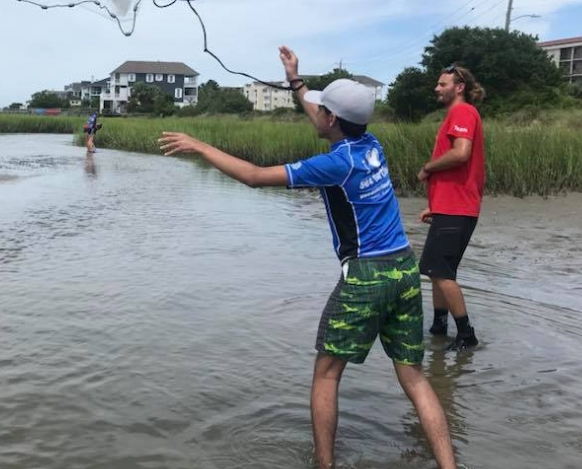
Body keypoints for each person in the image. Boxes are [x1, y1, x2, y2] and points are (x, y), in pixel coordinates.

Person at [158, 47, 457, 469]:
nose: (316, 113)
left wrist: (199, 145)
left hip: (367, 276)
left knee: (326, 374)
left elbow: (254, 177)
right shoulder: (371, 145)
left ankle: (325, 466)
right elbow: (322, 113)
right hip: (405, 268)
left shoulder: (336, 164)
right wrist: (296, 81)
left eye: (322, 110)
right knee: (413, 377)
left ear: (332, 120)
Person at [417, 64, 485, 351]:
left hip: (458, 208)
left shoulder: (462, 111)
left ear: (459, 87)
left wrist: (427, 168)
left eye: (442, 84)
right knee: (435, 270)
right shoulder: (457, 114)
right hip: (449, 207)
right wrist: (436, 206)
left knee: (441, 271)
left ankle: (466, 335)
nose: (437, 88)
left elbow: (460, 154)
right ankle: (438, 325)